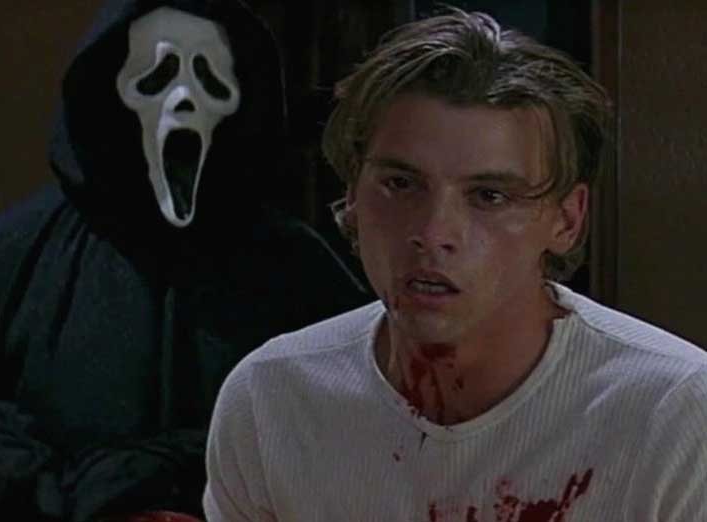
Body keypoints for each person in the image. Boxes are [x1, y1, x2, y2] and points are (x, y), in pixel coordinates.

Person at [204, 6, 707, 521]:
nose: (433, 234)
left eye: (489, 195)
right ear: (353, 194)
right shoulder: (273, 399)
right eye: (401, 184)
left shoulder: (672, 412)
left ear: (567, 220)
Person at [0, 1, 371, 521]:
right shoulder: (15, 252)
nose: (183, 99)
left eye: (210, 78)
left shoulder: (297, 267)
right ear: (108, 92)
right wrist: (65, 491)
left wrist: (183, 476)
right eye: (154, 78)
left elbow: (370, 431)